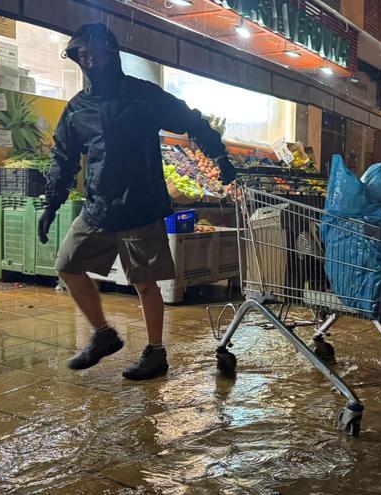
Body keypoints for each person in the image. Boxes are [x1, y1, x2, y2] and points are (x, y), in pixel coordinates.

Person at [40, 23, 237, 380]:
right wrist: (51, 204)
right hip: (98, 208)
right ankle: (103, 335)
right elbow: (63, 158)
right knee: (67, 265)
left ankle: (155, 352)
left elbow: (190, 120)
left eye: (94, 53)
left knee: (145, 283)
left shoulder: (144, 96)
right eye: (82, 55)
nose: (89, 60)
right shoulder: (77, 109)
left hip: (141, 206)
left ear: (111, 53)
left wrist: (218, 154)